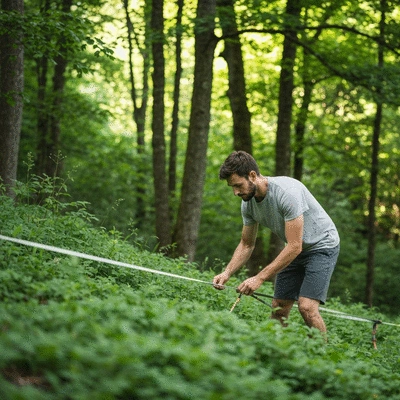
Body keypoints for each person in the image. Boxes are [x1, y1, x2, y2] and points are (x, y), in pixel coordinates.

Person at [213, 151, 340, 336]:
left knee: (306, 308)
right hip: (295, 248)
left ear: (252, 175)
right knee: (278, 308)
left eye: (238, 185)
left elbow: (295, 245)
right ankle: (275, 353)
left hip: (322, 245)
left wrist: (259, 278)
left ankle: (323, 357)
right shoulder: (247, 204)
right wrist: (227, 272)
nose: (235, 192)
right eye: (232, 187)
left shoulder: (287, 193)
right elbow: (246, 244)